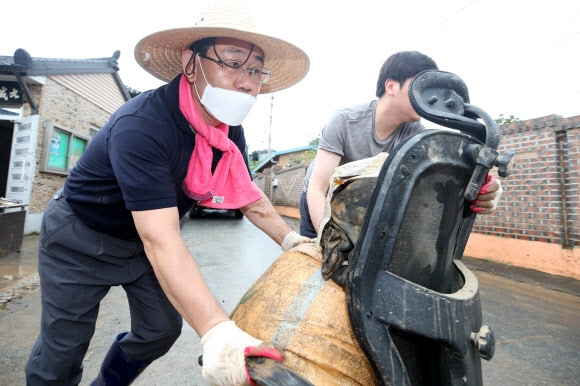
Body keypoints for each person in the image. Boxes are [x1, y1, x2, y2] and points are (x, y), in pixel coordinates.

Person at [25, 3, 313, 385]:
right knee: (63, 352)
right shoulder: (141, 125)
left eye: (256, 70)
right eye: (232, 62)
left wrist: (293, 241)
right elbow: (159, 236)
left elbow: (246, 194)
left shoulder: (227, 132)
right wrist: (218, 331)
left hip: (139, 246)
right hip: (80, 239)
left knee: (161, 329)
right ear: (191, 63)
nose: (247, 81)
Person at [299, 51, 502, 238]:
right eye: (420, 86)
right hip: (321, 201)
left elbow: (442, 174)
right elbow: (318, 189)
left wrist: (486, 184)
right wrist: (325, 242)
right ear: (391, 86)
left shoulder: (416, 135)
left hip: (362, 206)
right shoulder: (344, 121)